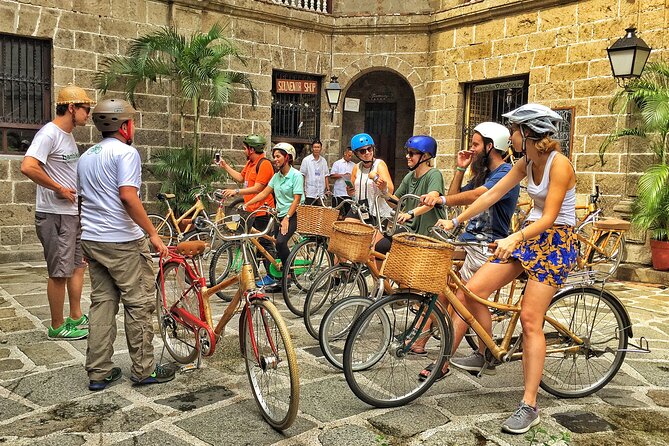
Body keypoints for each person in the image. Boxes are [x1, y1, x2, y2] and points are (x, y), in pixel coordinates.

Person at [438, 104, 577, 434]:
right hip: (528, 235)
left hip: (555, 242)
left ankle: (529, 405)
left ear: (528, 133)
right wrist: (456, 219)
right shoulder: (525, 162)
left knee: (530, 321)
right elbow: (492, 195)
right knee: (472, 291)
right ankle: (488, 352)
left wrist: (514, 237)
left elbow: (549, 217)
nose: (510, 136)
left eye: (513, 130)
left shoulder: (560, 166)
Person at [78, 98, 175, 391]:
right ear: (124, 125)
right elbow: (128, 196)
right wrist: (153, 234)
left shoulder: (86, 156)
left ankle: (98, 372)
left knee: (102, 305)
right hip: (123, 241)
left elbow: (84, 200)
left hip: (93, 240)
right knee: (139, 304)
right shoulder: (126, 153)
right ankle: (144, 369)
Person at [411, 123, 519, 359]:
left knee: (464, 301)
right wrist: (461, 169)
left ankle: (446, 362)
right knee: (441, 285)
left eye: (476, 144)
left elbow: (478, 196)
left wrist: (444, 205)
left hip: (486, 245)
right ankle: (420, 340)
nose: (472, 149)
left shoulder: (506, 173)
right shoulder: (483, 173)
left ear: (491, 146)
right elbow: (455, 196)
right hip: (467, 242)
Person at [20, 84, 94, 341]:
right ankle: (56, 325)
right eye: (86, 109)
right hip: (54, 214)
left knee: (77, 266)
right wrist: (58, 188)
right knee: (59, 272)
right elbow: (28, 167)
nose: (88, 115)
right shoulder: (48, 134)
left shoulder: (68, 135)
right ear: (71, 108)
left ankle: (75, 316)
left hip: (72, 213)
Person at [217, 134, 277, 286]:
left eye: (245, 148)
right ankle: (253, 274)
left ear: (251, 149)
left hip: (263, 211)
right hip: (251, 210)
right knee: (251, 243)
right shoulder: (250, 163)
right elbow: (240, 178)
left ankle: (274, 276)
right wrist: (225, 166)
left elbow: (258, 188)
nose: (243, 151)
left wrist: (236, 192)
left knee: (264, 244)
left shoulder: (264, 164)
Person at [244, 143, 304, 292]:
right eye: (274, 156)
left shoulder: (296, 176)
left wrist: (287, 218)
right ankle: (279, 278)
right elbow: (264, 193)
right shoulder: (276, 177)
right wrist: (247, 204)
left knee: (281, 242)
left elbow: (296, 199)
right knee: (273, 242)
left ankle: (287, 275)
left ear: (287, 157)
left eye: (278, 156)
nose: (275, 159)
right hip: (279, 214)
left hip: (293, 214)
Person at [375, 135, 446, 255]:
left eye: (412, 153)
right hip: (410, 229)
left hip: (427, 231)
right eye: (407, 152)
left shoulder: (434, 175)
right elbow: (395, 203)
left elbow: (431, 201)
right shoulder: (409, 176)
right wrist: (384, 191)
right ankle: (382, 275)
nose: (407, 156)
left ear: (425, 156)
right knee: (380, 246)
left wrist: (409, 214)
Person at [346, 133, 393, 224]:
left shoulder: (379, 164)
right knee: (346, 228)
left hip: (377, 211)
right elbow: (353, 193)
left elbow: (390, 190)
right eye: (363, 151)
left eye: (369, 148)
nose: (367, 152)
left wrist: (383, 186)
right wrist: (350, 192)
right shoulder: (357, 167)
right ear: (356, 154)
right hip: (360, 208)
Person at [300, 139, 329, 205]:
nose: (316, 149)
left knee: (319, 212)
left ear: (321, 148)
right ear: (312, 148)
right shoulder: (306, 160)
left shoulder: (323, 161)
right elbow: (302, 175)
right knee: (310, 212)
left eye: (318, 147)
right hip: (310, 192)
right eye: (315, 147)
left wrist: (328, 188)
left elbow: (326, 175)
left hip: (320, 192)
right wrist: (303, 190)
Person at [329, 147, 355, 214]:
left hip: (349, 193)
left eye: (351, 156)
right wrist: (343, 175)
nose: (350, 157)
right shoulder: (337, 163)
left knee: (348, 213)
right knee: (337, 213)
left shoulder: (354, 165)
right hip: (339, 192)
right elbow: (332, 175)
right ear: (345, 154)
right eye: (349, 155)